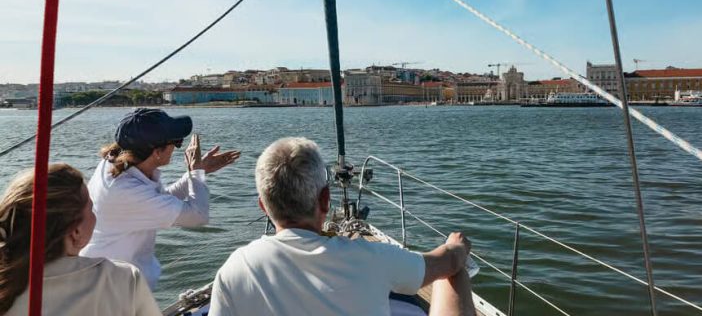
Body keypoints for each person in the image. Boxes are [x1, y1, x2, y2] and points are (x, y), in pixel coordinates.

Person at [209, 137, 475, 316]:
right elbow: (446, 263)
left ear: (263, 206)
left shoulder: (234, 270)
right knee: (455, 273)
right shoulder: (372, 257)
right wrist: (455, 247)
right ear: (325, 199)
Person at [80, 108, 240, 289]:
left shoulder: (116, 165)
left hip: (110, 281)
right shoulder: (126, 191)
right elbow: (198, 216)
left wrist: (198, 172)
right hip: (112, 290)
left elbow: (159, 201)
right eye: (177, 142)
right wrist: (195, 173)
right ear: (156, 152)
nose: (177, 147)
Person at [0, 163, 161, 315]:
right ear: (75, 232)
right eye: (91, 208)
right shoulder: (122, 279)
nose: (95, 215)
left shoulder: (7, 286)